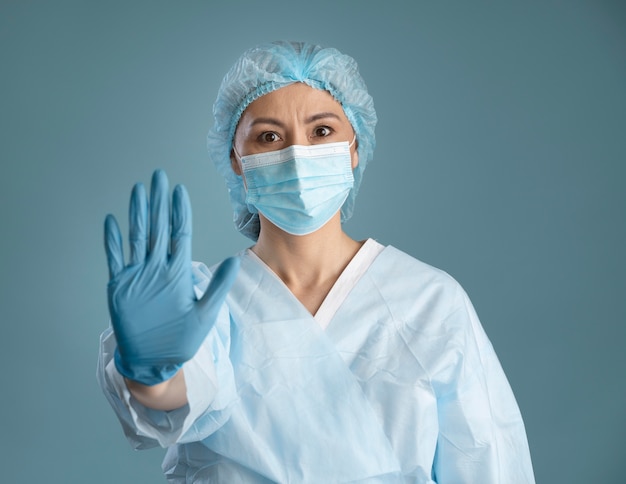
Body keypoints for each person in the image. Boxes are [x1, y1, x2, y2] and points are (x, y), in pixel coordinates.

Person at [97, 41, 535, 483]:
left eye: (321, 132)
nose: (296, 154)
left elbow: (487, 463)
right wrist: (150, 372)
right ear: (236, 159)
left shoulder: (429, 301)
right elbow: (173, 402)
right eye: (269, 136)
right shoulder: (203, 305)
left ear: (354, 148)